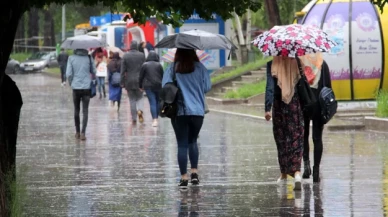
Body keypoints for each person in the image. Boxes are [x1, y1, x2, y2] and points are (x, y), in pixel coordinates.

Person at [162, 48, 211, 189]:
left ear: (177, 53)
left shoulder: (172, 68)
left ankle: (184, 177)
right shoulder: (200, 67)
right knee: (193, 141)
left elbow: (165, 87)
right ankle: (194, 174)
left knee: (182, 144)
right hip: (197, 112)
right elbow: (207, 87)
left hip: (179, 111)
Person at [264, 56, 304, 191]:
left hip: (279, 105)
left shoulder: (272, 64)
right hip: (294, 104)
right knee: (296, 137)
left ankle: (284, 174)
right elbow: (302, 84)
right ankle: (297, 173)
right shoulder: (297, 62)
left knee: (281, 139)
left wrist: (267, 108)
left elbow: (269, 87)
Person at [299, 53, 332, 183]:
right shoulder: (322, 64)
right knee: (317, 138)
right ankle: (316, 171)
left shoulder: (300, 63)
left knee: (303, 136)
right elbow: (328, 87)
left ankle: (306, 167)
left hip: (304, 103)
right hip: (319, 104)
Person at [66, 49, 96, 140]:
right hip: (87, 87)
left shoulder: (71, 58)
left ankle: (77, 132)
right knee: (85, 110)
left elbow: (68, 74)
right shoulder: (89, 57)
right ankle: (83, 133)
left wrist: (72, 83)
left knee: (76, 109)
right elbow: (94, 71)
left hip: (76, 87)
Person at [121, 41, 146, 124]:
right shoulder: (142, 55)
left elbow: (122, 71)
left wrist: (122, 82)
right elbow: (144, 68)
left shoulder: (125, 56)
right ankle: (140, 110)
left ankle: (134, 118)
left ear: (130, 47)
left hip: (129, 81)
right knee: (140, 97)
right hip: (140, 80)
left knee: (132, 100)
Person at [139, 51, 164, 127]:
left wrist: (140, 86)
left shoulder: (145, 65)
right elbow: (162, 75)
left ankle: (155, 119)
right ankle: (157, 115)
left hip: (148, 86)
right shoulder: (159, 65)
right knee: (157, 102)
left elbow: (141, 77)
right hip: (158, 85)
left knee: (152, 102)